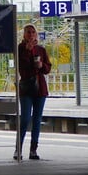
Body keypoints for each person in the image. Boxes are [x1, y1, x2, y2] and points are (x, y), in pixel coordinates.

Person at [16, 24, 52, 161]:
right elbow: (21, 66)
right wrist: (27, 51)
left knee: (37, 119)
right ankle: (18, 148)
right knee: (25, 118)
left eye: (33, 32)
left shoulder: (41, 49)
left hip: (40, 88)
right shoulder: (20, 48)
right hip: (26, 88)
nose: (31, 35)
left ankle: (33, 149)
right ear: (24, 35)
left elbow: (48, 68)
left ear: (36, 34)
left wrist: (42, 65)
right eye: (28, 32)